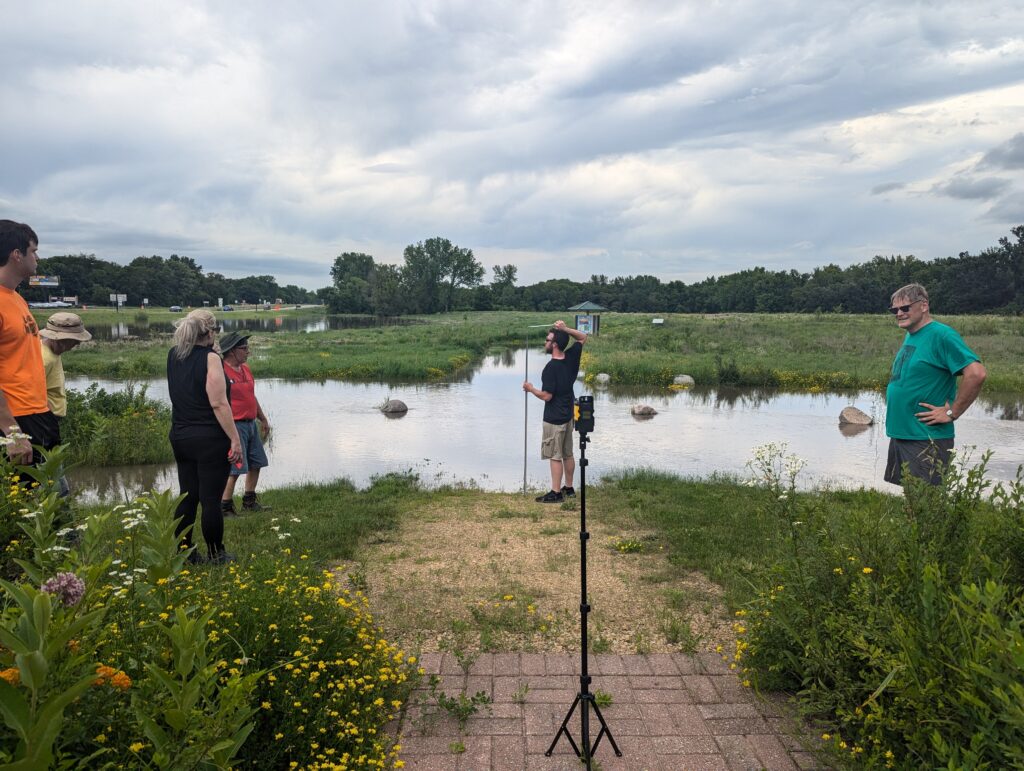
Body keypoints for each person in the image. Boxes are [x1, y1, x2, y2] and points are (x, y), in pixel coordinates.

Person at [884, 283, 987, 486]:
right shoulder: (912, 335)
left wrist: (951, 412)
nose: (899, 313)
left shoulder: (942, 335)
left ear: (923, 306)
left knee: (927, 503)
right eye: (894, 310)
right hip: (904, 433)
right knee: (913, 500)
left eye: (905, 308)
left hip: (926, 437)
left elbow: (976, 374)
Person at [167, 309, 242, 564]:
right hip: (209, 438)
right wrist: (234, 438)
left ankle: (185, 553)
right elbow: (219, 403)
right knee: (211, 499)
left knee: (188, 495)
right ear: (209, 332)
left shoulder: (173, 355)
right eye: (216, 331)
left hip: (180, 435)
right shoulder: (211, 359)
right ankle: (216, 553)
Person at [0, 220, 59, 465]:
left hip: (37, 414)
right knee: (22, 499)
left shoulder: (17, 299)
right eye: (33, 251)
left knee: (50, 499)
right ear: (16, 255)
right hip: (15, 422)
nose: (37, 257)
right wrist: (11, 431)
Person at [523, 320, 587, 503]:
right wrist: (565, 329)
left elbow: (547, 397)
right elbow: (583, 337)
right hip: (568, 416)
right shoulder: (571, 357)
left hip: (554, 419)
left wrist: (530, 388)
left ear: (555, 344)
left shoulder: (550, 369)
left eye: (547, 340)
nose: (545, 343)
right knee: (568, 453)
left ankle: (556, 493)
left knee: (555, 456)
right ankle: (569, 488)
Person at [218, 330, 271, 514]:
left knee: (256, 462)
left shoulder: (246, 369)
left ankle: (249, 501)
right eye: (244, 348)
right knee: (236, 467)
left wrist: (262, 418)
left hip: (251, 424)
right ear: (232, 351)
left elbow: (251, 397)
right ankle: (225, 507)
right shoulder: (221, 372)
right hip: (234, 425)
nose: (248, 351)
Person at [40, 312, 92, 496]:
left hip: (49, 420)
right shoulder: (43, 358)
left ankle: (59, 507)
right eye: (73, 341)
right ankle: (58, 510)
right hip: (43, 421)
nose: (75, 345)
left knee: (54, 467)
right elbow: (34, 392)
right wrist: (46, 422)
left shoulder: (52, 351)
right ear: (60, 339)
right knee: (50, 468)